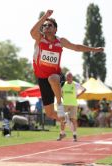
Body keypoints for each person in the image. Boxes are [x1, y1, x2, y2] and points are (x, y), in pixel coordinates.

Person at [30, 10, 104, 141]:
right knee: (49, 113)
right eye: (45, 25)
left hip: (57, 76)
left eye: (49, 25)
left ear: (55, 29)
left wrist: (94, 49)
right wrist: (45, 17)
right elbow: (32, 32)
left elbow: (76, 47)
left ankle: (59, 103)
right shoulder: (39, 38)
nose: (46, 27)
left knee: (52, 78)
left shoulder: (60, 41)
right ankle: (65, 119)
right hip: (42, 78)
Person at [61, 72, 86, 141]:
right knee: (62, 120)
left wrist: (78, 95)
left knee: (74, 120)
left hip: (73, 104)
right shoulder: (63, 84)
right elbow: (60, 92)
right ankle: (62, 134)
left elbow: (84, 89)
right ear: (66, 77)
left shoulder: (75, 84)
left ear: (72, 77)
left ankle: (74, 135)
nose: (68, 77)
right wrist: (62, 97)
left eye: (70, 76)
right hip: (65, 104)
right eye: (67, 76)